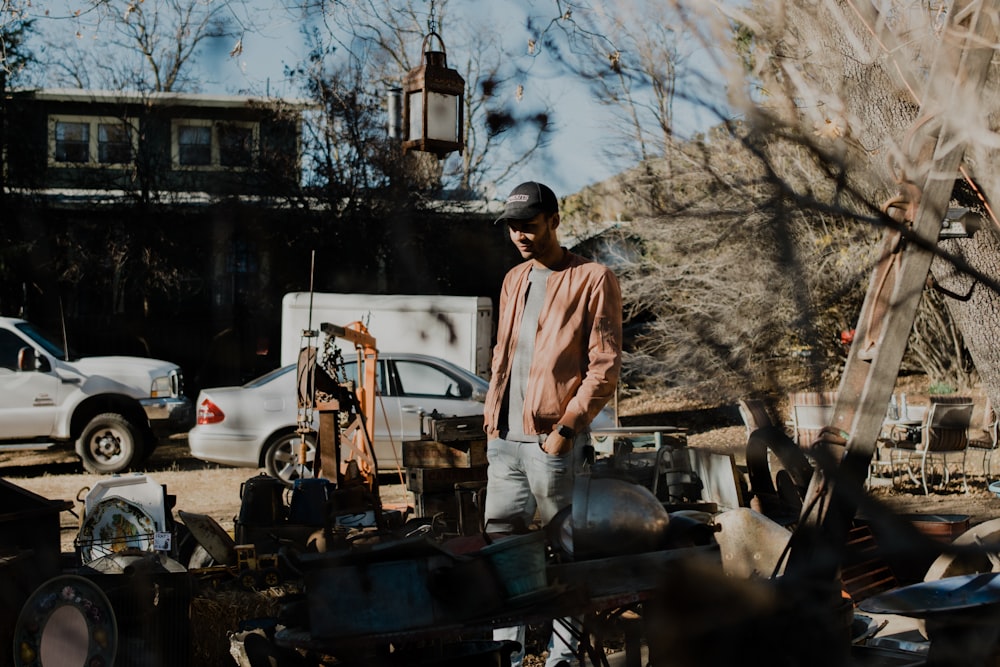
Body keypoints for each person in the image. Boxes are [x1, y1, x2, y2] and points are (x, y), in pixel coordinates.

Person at [483, 181, 623, 667]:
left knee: (565, 554)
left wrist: (565, 429)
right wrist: (491, 421)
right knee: (506, 556)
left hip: (551, 442)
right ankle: (508, 651)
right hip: (503, 442)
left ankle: (566, 658)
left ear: (555, 221)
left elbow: (604, 365)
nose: (520, 234)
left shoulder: (593, 277)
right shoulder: (512, 280)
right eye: (513, 227)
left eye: (530, 224)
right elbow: (503, 354)